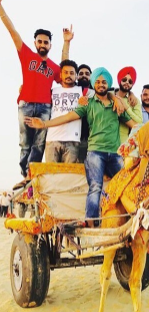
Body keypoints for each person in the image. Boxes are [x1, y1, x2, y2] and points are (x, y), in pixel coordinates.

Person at [24, 67, 136, 226]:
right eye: (97, 82)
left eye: (104, 82)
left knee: (127, 184)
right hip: (95, 152)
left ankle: (132, 220)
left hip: (115, 153)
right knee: (95, 187)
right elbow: (68, 117)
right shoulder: (88, 103)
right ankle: (91, 223)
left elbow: (134, 125)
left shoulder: (116, 105)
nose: (101, 84)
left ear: (109, 84)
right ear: (93, 85)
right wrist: (44, 124)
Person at [0, 0, 73, 188]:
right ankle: (26, 174)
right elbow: (12, 31)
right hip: (25, 104)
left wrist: (67, 43)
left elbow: (65, 66)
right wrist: (0, 8)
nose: (43, 44)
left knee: (39, 143)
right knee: (25, 142)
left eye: (46, 42)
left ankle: (31, 173)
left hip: (44, 107)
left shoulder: (52, 67)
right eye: (40, 41)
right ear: (35, 43)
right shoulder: (26, 55)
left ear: (50, 45)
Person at [45, 60, 94, 163]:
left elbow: (103, 93)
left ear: (76, 76)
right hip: (52, 139)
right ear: (61, 75)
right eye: (66, 72)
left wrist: (119, 98)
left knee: (69, 176)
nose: (69, 75)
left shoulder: (82, 91)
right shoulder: (53, 91)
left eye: (72, 73)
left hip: (73, 140)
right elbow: (38, 94)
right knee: (51, 175)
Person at [114, 66, 143, 143]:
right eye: (124, 80)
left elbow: (139, 122)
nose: (127, 82)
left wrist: (127, 108)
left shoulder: (134, 101)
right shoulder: (110, 95)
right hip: (106, 143)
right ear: (119, 80)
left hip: (123, 143)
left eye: (130, 82)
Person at [77, 64, 92, 162]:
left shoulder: (96, 92)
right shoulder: (72, 90)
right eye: (81, 73)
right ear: (77, 76)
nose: (84, 76)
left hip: (91, 138)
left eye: (87, 74)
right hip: (74, 137)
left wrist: (131, 94)